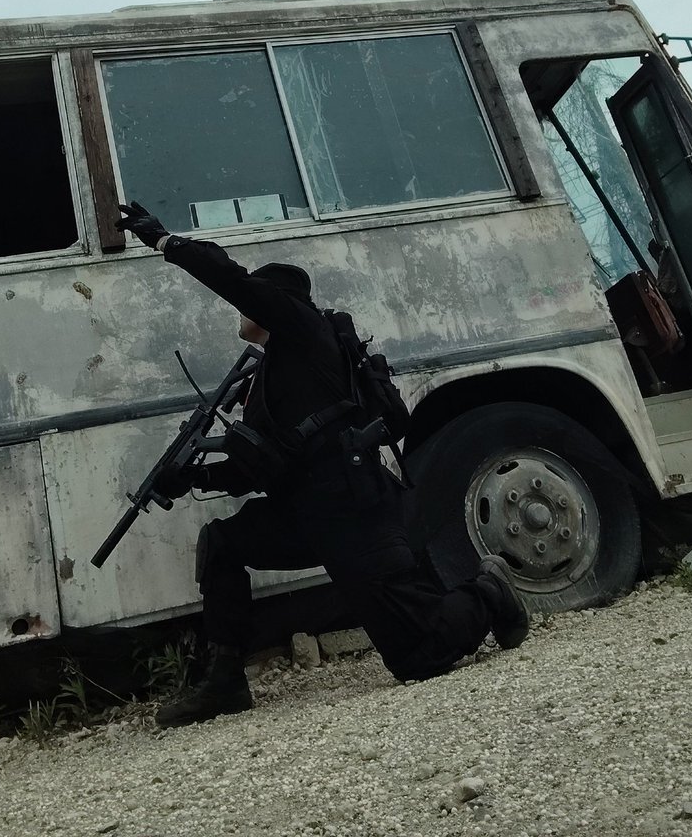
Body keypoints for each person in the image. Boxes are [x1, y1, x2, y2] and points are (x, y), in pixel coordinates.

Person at [118, 201, 530, 728]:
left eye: (256, 299)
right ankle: (224, 682)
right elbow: (262, 468)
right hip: (304, 514)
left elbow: (233, 281)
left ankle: (489, 592)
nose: (242, 310)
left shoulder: (306, 332)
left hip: (354, 513)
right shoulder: (267, 381)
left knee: (420, 656)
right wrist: (194, 477)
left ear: (277, 302)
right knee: (224, 543)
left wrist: (165, 241)